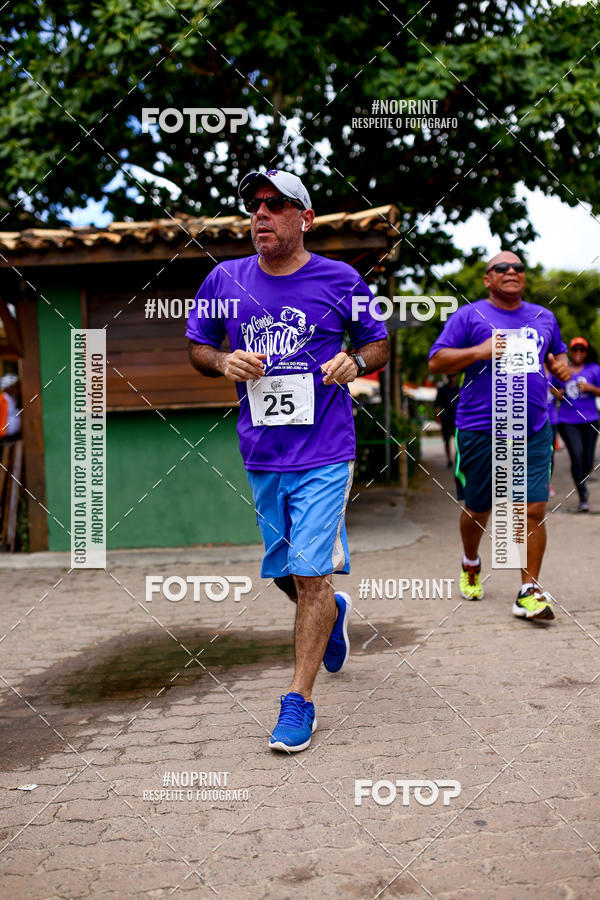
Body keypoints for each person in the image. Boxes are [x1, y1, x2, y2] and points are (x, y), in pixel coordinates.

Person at [186, 169, 389, 752]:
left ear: (305, 218)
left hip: (326, 450)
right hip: (262, 452)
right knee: (285, 572)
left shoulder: (341, 278)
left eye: (276, 205)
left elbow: (376, 341)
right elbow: (199, 346)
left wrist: (356, 360)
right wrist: (223, 362)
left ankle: (298, 700)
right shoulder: (225, 279)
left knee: (307, 572)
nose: (261, 214)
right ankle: (331, 610)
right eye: (254, 205)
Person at [428, 251, 571, 621]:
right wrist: (483, 350)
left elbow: (557, 353)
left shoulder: (545, 317)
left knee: (533, 508)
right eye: (501, 268)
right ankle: (471, 561)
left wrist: (561, 365)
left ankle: (529, 590)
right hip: (480, 427)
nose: (511, 272)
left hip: (534, 426)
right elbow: (437, 360)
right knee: (480, 508)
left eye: (519, 267)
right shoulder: (468, 316)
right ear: (488, 279)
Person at [553, 337, 600, 512]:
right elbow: (552, 386)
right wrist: (557, 393)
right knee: (576, 455)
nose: (578, 353)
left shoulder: (594, 369)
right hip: (567, 421)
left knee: (587, 460)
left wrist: (591, 389)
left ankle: (583, 480)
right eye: (575, 350)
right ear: (570, 352)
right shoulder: (563, 369)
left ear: (586, 352)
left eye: (582, 350)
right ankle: (582, 496)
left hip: (590, 420)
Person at [435, 373, 460, 467]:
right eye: (450, 376)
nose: (452, 378)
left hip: (457, 419)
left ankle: (457, 457)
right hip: (446, 419)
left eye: (453, 375)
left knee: (457, 440)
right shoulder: (442, 389)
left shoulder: (459, 389)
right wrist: (439, 417)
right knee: (446, 440)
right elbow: (437, 404)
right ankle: (449, 459)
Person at [0, 373, 21, 444]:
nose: (17, 389)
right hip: (5, 437)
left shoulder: (14, 398)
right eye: (15, 386)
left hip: (16, 435)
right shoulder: (1, 400)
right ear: (8, 387)